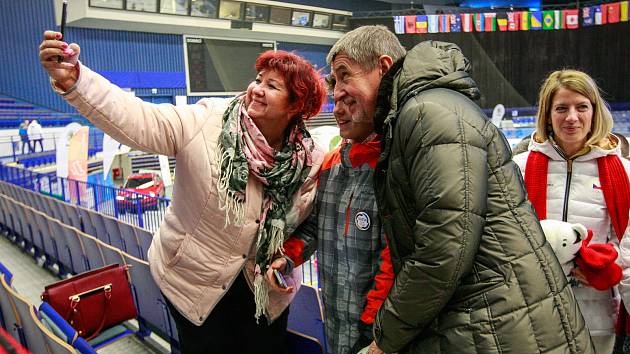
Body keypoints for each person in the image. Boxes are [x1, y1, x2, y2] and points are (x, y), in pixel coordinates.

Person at [39, 30, 327, 354]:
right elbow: (138, 118)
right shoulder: (206, 121)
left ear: (296, 106)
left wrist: (287, 257)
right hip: (195, 285)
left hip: (266, 293)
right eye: (258, 79)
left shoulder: (311, 159)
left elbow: (309, 222)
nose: (256, 90)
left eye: (271, 86)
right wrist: (77, 81)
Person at [321, 25, 594, 353]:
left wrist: (385, 338)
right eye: (333, 82)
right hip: (487, 322)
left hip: (500, 325)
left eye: (343, 75)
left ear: (382, 66)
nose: (336, 92)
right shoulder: (417, 115)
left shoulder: (427, 112)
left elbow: (445, 246)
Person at [267, 72, 400, 353]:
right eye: (336, 101)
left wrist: (376, 323)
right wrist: (287, 257)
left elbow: (395, 257)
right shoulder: (331, 164)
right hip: (336, 319)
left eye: (349, 101)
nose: (338, 110)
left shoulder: (391, 170)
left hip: (377, 329)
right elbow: (316, 225)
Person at [514, 69, 630, 354]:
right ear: (547, 115)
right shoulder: (519, 167)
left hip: (597, 313)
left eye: (582, 107)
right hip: (533, 312)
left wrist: (602, 267)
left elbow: (625, 239)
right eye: (561, 108)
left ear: (594, 112)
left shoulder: (624, 173)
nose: (572, 117)